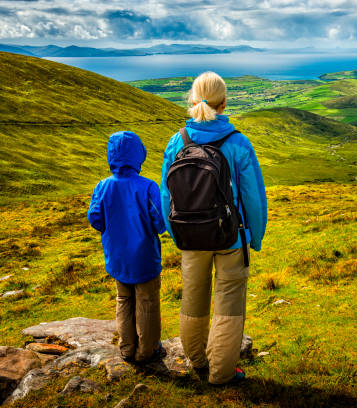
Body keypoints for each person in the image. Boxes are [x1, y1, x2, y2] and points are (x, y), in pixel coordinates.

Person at [160, 71, 267, 386]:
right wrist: (254, 237)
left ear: (194, 100)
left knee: (193, 299)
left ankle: (198, 361)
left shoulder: (177, 140)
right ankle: (222, 373)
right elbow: (253, 197)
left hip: (189, 237)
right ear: (224, 102)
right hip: (230, 236)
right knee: (229, 300)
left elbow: (167, 194)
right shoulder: (237, 142)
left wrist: (175, 231)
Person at [87, 131, 166, 363]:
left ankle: (127, 348)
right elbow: (160, 223)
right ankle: (147, 351)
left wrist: (112, 230)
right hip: (144, 258)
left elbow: (95, 218)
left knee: (124, 300)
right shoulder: (148, 187)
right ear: (138, 155)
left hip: (117, 257)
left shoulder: (102, 186)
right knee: (147, 302)